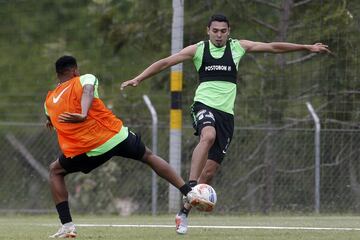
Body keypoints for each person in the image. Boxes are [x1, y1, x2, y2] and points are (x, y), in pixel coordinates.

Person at [120, 14, 331, 234]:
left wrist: (306, 47)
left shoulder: (238, 47)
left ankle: (183, 212)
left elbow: (272, 47)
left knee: (209, 174)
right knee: (207, 136)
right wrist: (139, 78)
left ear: (228, 31)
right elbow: (166, 62)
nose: (219, 35)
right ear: (208, 31)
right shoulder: (198, 50)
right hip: (203, 106)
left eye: (223, 31)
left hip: (226, 116)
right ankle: (190, 185)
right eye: (215, 31)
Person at [45, 56, 210, 238]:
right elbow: (88, 90)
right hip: (115, 137)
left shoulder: (49, 101)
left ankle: (67, 225)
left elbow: (51, 119)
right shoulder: (84, 78)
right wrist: (83, 113)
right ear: (75, 70)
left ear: (57, 74)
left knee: (55, 171)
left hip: (86, 151)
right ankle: (189, 192)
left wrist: (53, 121)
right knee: (148, 156)